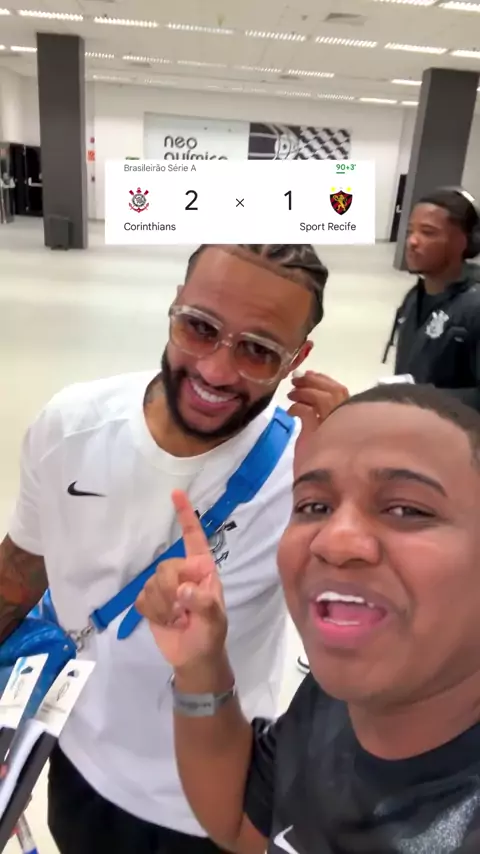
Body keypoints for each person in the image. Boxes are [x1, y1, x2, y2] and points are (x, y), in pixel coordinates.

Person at [0, 242, 348, 854]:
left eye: (258, 351)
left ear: (298, 359)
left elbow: (358, 651)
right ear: (174, 306)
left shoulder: (306, 469)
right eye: (200, 328)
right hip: (79, 759)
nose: (216, 370)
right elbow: (20, 571)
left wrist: (346, 487)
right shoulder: (71, 427)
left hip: (222, 795)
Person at [138, 382, 480, 853]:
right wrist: (200, 667)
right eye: (314, 506)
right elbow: (241, 823)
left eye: (406, 509)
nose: (333, 541)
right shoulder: (332, 699)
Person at [383, 187, 480, 410]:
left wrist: (419, 398)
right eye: (410, 231)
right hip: (416, 422)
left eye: (427, 232)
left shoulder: (474, 307)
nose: (412, 241)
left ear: (464, 241)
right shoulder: (414, 298)